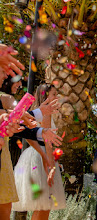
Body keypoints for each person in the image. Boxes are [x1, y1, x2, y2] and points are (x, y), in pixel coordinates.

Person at [12, 84, 66, 219]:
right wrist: (50, 163)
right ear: (46, 96)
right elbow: (47, 142)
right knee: (44, 207)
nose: (56, 97)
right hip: (42, 157)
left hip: (32, 155)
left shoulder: (35, 112)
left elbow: (29, 136)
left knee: (40, 206)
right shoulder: (45, 115)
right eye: (54, 94)